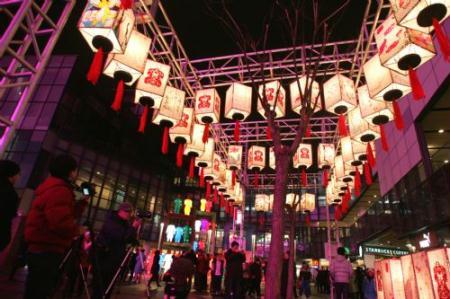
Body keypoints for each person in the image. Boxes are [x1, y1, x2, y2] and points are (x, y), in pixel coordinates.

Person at [24, 154, 87, 299]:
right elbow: (60, 222)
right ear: (70, 172)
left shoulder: (52, 186)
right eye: (75, 170)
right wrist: (77, 230)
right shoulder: (61, 190)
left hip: (40, 245)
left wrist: (82, 202)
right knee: (42, 290)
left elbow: (66, 213)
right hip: (47, 247)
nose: (76, 174)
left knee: (34, 289)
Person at [92, 202, 140, 299]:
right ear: (121, 211)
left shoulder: (125, 223)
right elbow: (121, 237)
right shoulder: (112, 221)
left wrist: (135, 229)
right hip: (105, 259)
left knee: (109, 288)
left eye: (130, 212)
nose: (129, 215)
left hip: (114, 260)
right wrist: (133, 227)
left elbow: (129, 239)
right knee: (101, 288)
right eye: (128, 212)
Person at [0, 160, 20, 252]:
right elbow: (8, 215)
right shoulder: (9, 193)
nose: (19, 177)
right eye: (18, 174)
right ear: (11, 175)